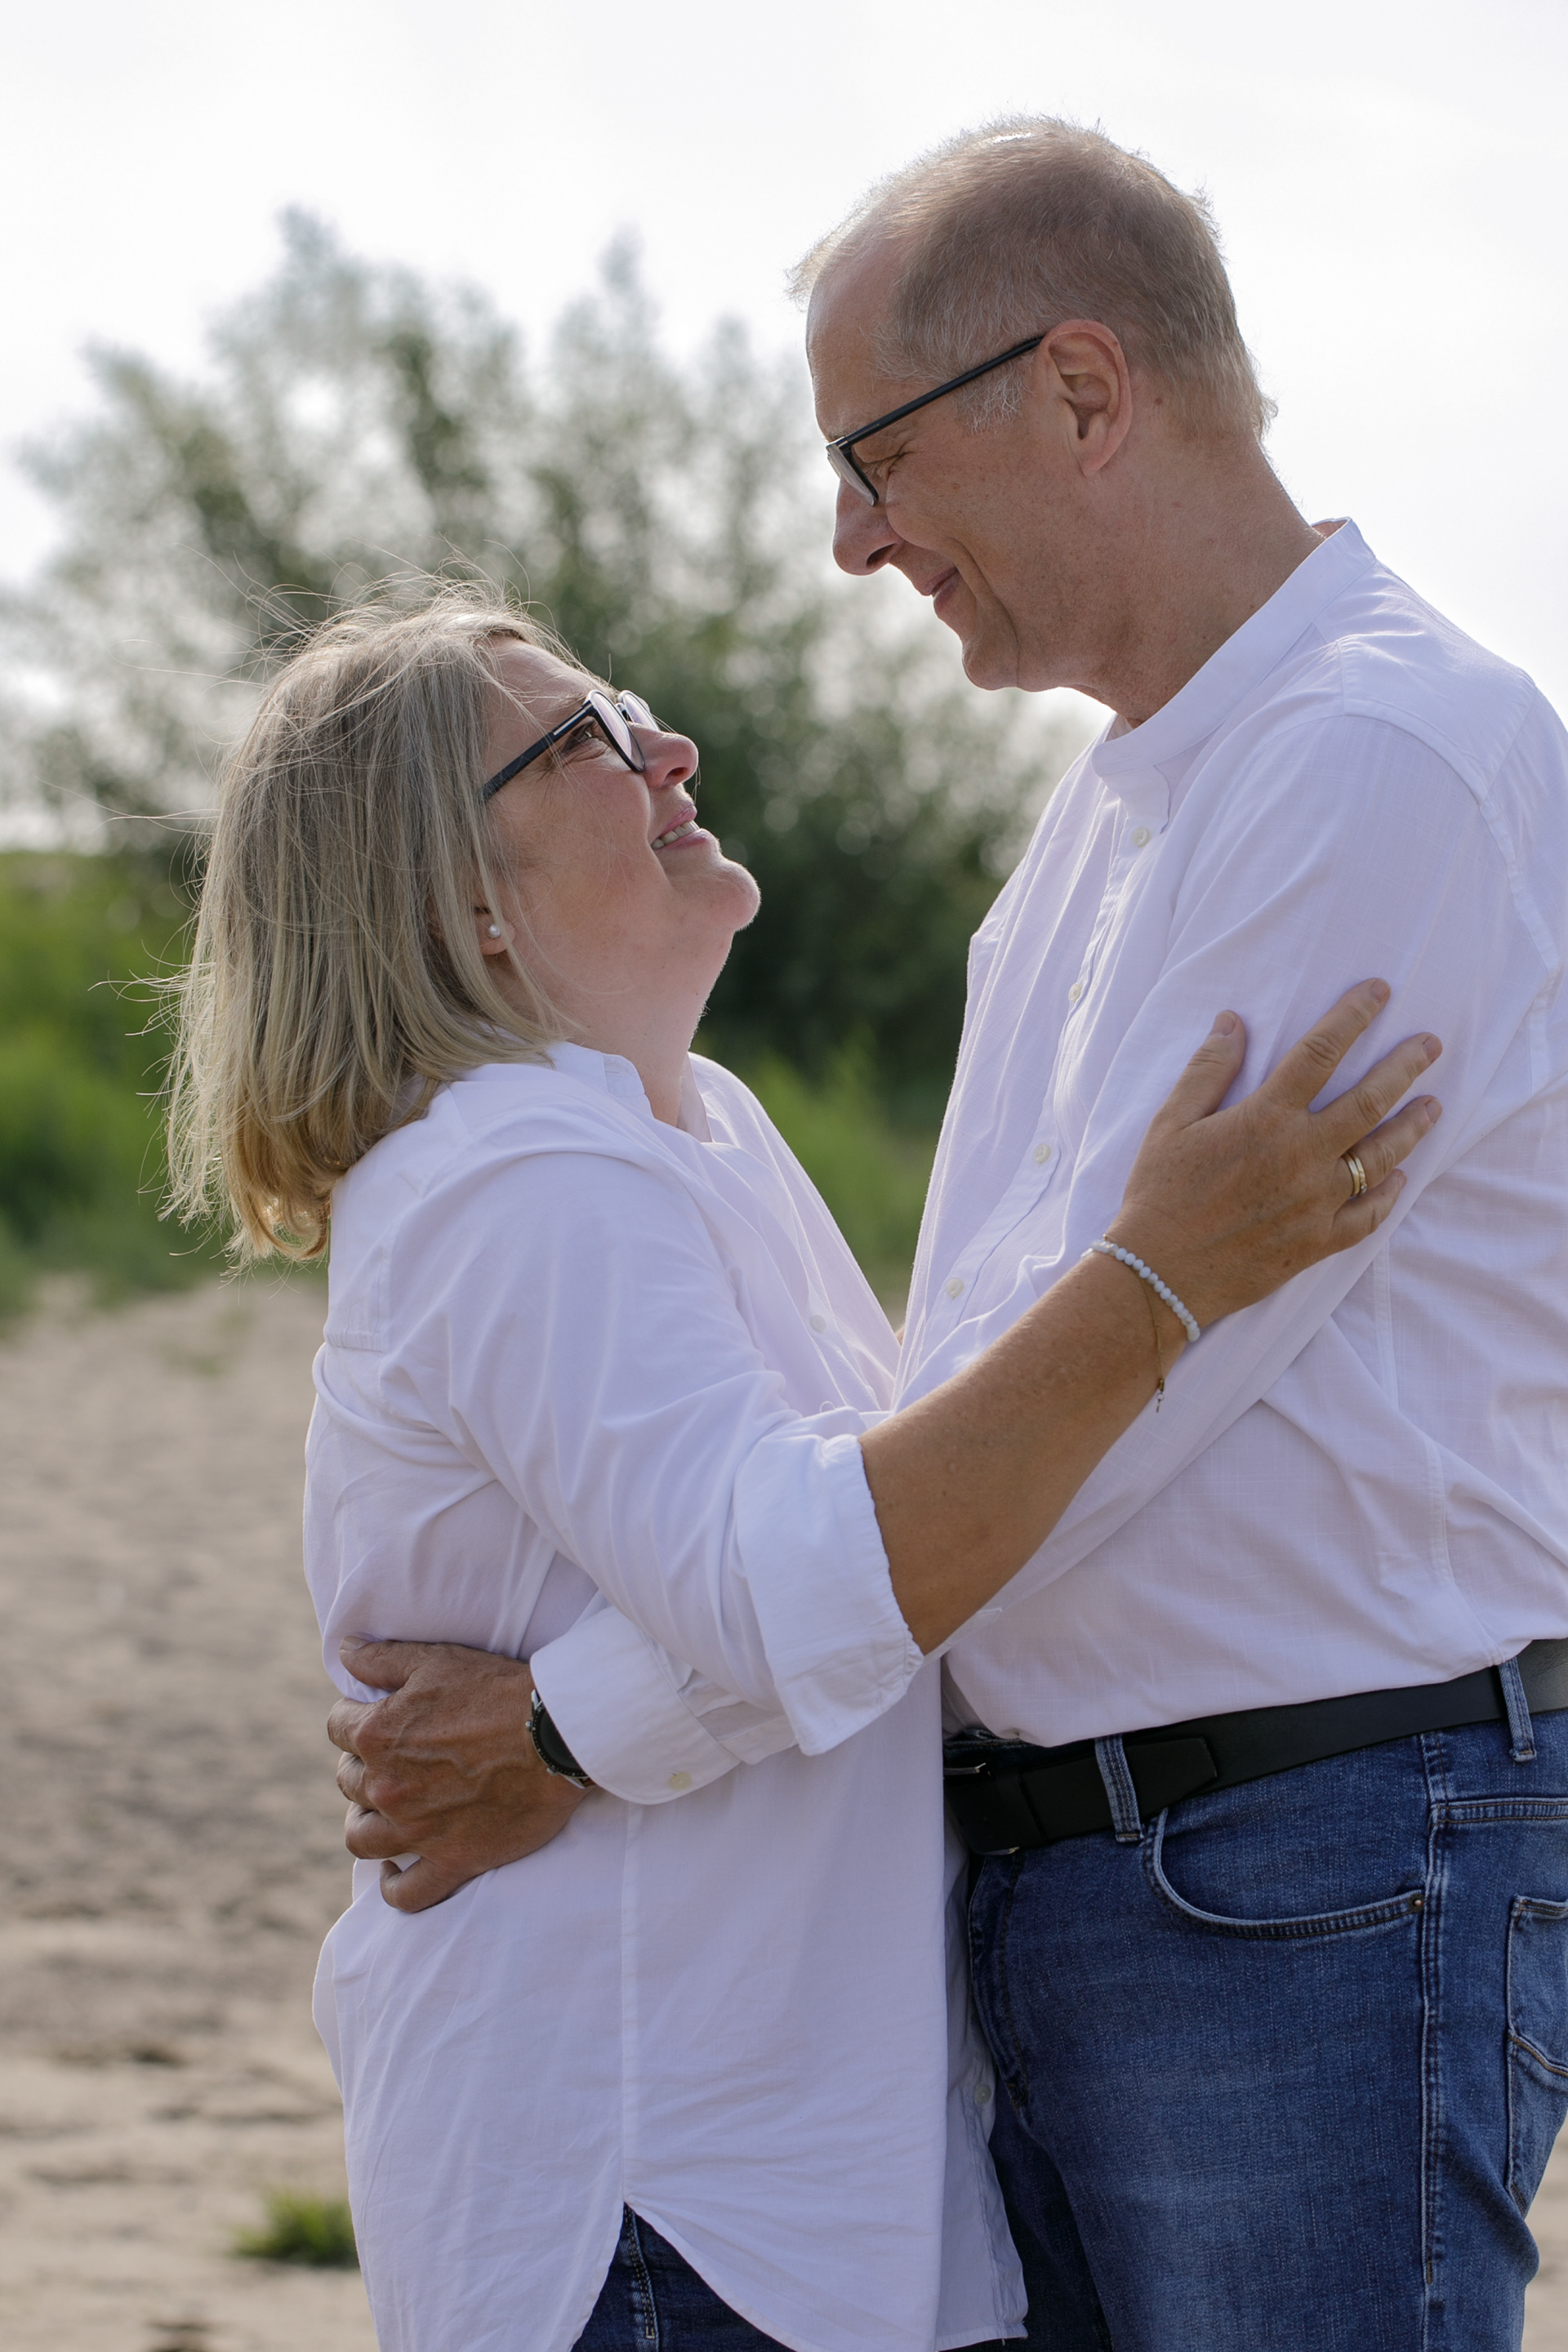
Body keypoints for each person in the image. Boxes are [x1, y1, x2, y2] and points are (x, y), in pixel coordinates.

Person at [333, 122, 1568, 2350]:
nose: (852, 539)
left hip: (1312, 1860)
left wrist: (578, 1730)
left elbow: (1097, 1425)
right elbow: (963, 1401)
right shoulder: (1109, 829)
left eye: (877, 456)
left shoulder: (1375, 764)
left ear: (1082, 390)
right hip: (1118, 1881)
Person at [168, 590, 1434, 2352]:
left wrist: (564, 1729)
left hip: (781, 2180)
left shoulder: (697, 1128)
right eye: (589, 740)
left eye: (629, 707)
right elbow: (798, 1585)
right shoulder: (514, 1173)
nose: (668, 749)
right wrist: (1164, 1276)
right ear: (458, 899)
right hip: (660, 2191)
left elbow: (863, 1553)